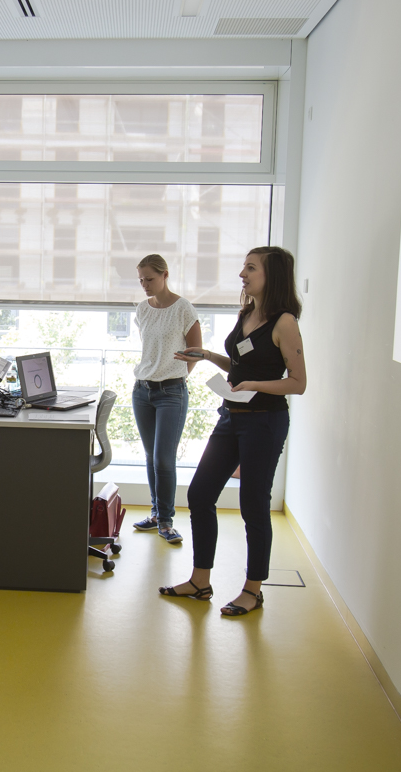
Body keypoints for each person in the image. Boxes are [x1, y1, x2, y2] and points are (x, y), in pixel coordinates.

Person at [160, 246, 307, 616]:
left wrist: (254, 384)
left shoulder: (285, 322)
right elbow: (239, 365)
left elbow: (298, 383)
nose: (243, 274)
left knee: (253, 506)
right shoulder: (247, 314)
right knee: (199, 494)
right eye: (244, 267)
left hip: (265, 421)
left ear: (271, 276)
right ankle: (200, 581)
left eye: (251, 268)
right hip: (231, 416)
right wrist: (208, 355)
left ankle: (253, 590)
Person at [130, 254, 202, 544]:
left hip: (172, 392)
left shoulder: (183, 308)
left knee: (163, 458)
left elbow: (196, 351)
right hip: (142, 390)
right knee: (150, 456)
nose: (145, 285)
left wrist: (178, 375)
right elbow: (150, 348)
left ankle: (167, 520)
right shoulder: (142, 310)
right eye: (141, 280)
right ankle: (156, 513)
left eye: (149, 279)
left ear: (165, 275)